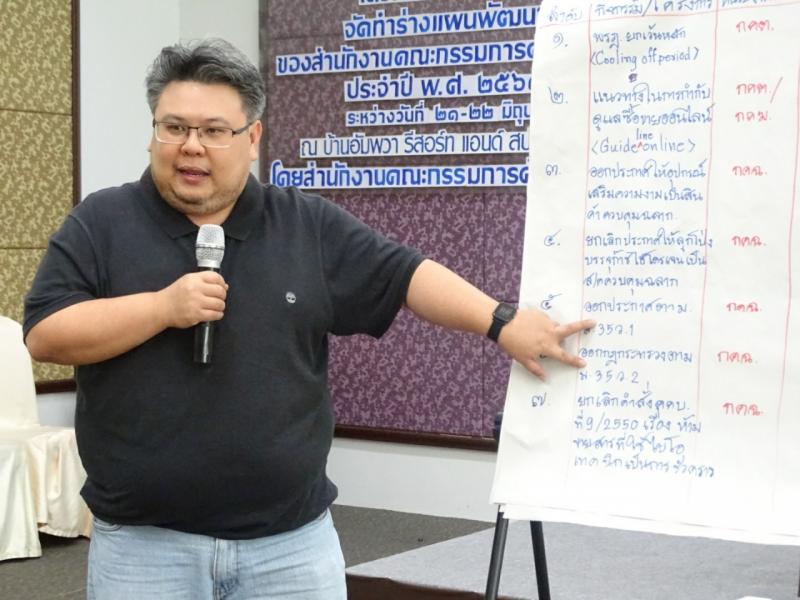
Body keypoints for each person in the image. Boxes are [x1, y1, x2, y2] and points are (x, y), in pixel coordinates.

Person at [24, 39, 593, 599]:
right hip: (144, 548)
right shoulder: (101, 222)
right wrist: (160, 308)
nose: (191, 147)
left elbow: (406, 276)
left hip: (288, 549)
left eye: (214, 131)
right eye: (173, 127)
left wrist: (501, 321)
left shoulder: (306, 225)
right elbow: (46, 334)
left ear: (252, 138)